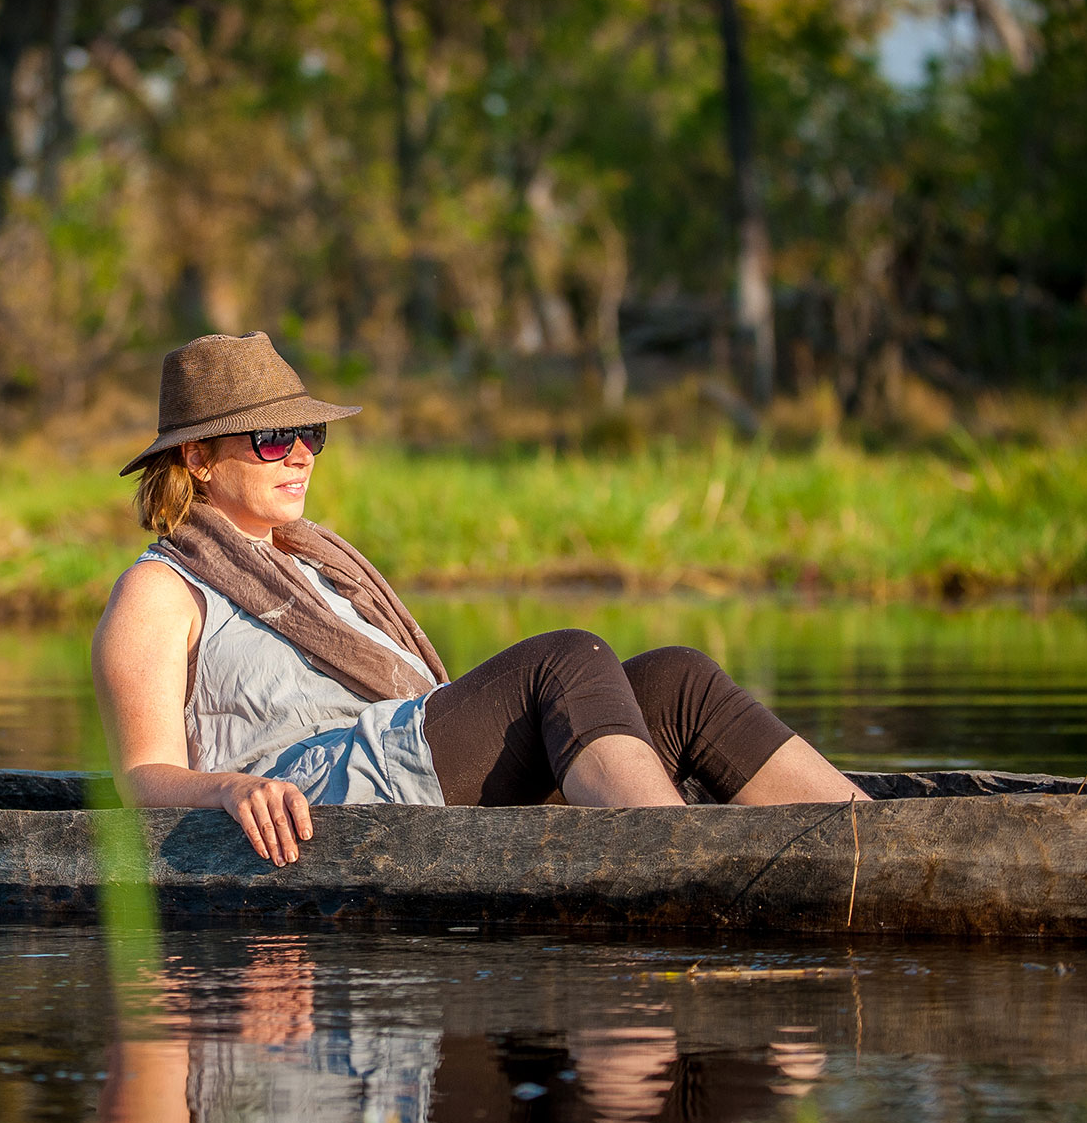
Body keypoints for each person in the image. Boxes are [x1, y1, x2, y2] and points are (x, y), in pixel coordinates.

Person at [92, 332, 868, 865]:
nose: (299, 453)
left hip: (403, 759)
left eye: (308, 435)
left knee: (678, 678)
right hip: (316, 800)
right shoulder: (158, 590)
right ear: (195, 457)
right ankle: (677, 861)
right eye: (270, 439)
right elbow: (141, 778)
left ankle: (876, 837)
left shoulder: (317, 565)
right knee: (565, 658)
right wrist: (232, 788)